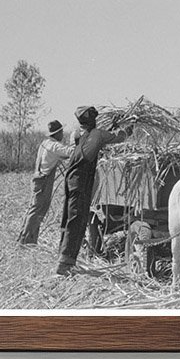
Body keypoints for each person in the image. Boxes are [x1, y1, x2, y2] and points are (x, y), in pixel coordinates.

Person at [55, 105, 132, 276]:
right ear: (93, 120)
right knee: (78, 219)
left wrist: (111, 127)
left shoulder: (75, 133)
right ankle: (65, 264)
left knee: (69, 217)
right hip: (82, 180)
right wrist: (129, 127)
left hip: (71, 178)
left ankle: (62, 256)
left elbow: (93, 140)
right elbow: (119, 137)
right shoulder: (97, 134)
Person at [17, 121, 72, 245]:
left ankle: (28, 239)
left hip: (38, 179)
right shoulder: (54, 146)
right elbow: (70, 152)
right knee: (37, 210)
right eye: (61, 132)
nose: (62, 134)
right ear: (57, 133)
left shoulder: (45, 144)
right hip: (44, 181)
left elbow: (62, 156)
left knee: (34, 209)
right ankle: (25, 240)